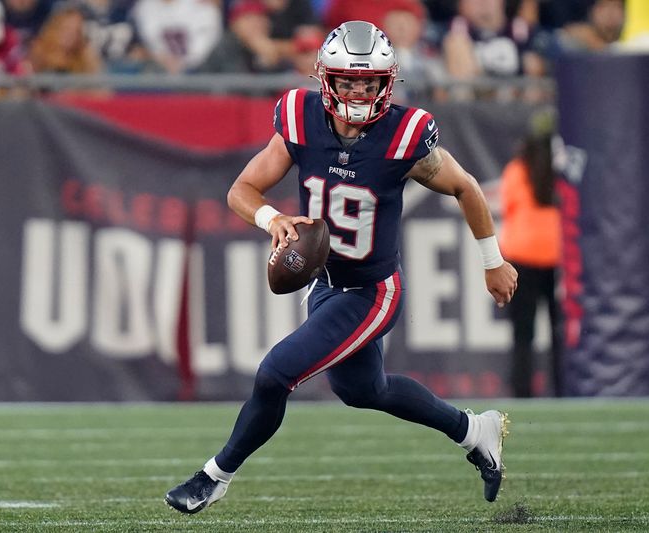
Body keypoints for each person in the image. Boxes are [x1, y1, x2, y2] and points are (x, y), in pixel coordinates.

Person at [164, 20, 518, 514]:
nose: (358, 90)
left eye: (368, 81)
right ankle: (473, 431)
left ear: (385, 83)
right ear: (325, 78)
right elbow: (241, 190)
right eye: (348, 79)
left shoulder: (405, 134)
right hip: (327, 284)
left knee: (274, 374)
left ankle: (214, 477)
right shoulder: (300, 118)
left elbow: (467, 187)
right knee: (364, 390)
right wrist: (274, 219)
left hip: (373, 292)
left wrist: (492, 261)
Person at [498, 110, 562, 398]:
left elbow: (508, 207)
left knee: (523, 335)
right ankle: (564, 389)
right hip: (558, 257)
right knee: (560, 332)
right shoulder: (562, 173)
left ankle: (522, 392)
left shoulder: (517, 170)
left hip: (521, 255)